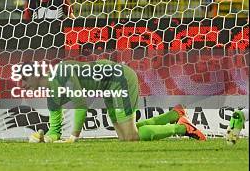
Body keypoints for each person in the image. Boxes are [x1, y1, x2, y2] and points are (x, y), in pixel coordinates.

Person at [26, 59, 206, 143]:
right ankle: (175, 114)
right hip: (107, 88)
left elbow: (81, 104)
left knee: (131, 137)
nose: (23, 84)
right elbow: (54, 130)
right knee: (124, 137)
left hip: (119, 79)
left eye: (25, 79)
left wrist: (74, 135)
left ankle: (183, 128)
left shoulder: (61, 71)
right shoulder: (51, 94)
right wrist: (46, 138)